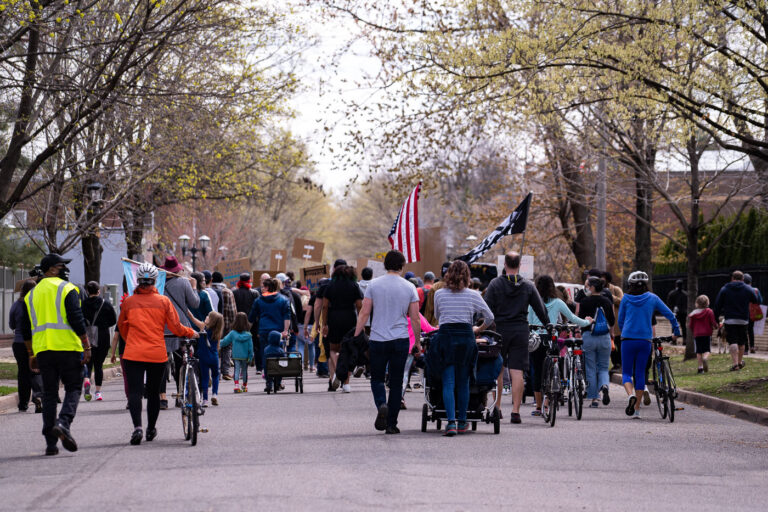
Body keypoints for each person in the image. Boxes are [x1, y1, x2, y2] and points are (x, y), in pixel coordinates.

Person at [118, 263, 198, 444]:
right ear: (155, 281)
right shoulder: (163, 301)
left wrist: (131, 339)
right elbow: (176, 327)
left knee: (136, 392)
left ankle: (137, 427)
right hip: (156, 353)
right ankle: (150, 429)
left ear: (137, 281)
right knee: (154, 393)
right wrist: (190, 332)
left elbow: (123, 327)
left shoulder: (129, 302)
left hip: (133, 353)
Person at [20, 254, 90, 455]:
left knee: (49, 394)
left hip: (44, 351)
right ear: (51, 269)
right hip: (68, 348)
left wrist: (31, 353)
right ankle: (64, 423)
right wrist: (86, 346)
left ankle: (51, 444)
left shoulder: (31, 295)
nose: (64, 269)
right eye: (61, 266)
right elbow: (77, 319)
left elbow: (25, 328)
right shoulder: (67, 289)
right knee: (74, 387)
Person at [353, 250, 420, 434]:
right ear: (402, 265)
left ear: (385, 265)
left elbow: (364, 312)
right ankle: (392, 423)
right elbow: (414, 318)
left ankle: (382, 403)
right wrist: (418, 341)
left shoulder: (374, 285)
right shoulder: (409, 287)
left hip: (378, 338)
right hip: (400, 339)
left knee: (377, 378)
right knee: (397, 382)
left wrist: (357, 334)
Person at [483, 252, 548, 424]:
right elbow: (540, 308)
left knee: (498, 368)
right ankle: (515, 411)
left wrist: (482, 326)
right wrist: (547, 325)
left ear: (504, 265)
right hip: (520, 330)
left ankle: (497, 407)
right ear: (519, 265)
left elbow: (486, 308)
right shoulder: (528, 285)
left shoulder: (495, 284)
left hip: (499, 330)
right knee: (517, 371)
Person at [433, 260, 494, 436]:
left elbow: (438, 316)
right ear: (467, 276)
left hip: (446, 338)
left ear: (448, 274)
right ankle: (462, 421)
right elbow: (489, 317)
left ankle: (450, 422)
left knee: (448, 381)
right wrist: (478, 329)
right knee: (464, 382)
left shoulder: (439, 294)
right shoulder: (474, 295)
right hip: (466, 338)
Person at [618, 271, 680, 419]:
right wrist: (676, 330)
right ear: (646, 284)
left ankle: (630, 395)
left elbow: (620, 320)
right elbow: (670, 314)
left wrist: (624, 331)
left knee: (626, 372)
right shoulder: (653, 298)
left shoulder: (625, 299)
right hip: (645, 340)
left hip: (627, 339)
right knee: (639, 373)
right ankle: (637, 409)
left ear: (630, 284)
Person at [527, 275, 591, 416]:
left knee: (537, 372)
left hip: (537, 339)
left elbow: (528, 321)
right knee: (553, 365)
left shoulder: (532, 303)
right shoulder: (558, 302)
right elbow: (573, 318)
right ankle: (548, 400)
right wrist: (587, 322)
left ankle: (538, 407)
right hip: (552, 338)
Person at [160, 256, 199, 409]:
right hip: (181, 325)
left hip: (162, 327)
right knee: (181, 362)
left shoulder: (158, 284)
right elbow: (195, 303)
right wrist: (194, 287)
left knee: (162, 363)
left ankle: (162, 397)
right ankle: (180, 394)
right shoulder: (183, 282)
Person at [322, 263, 363, 393]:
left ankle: (337, 374)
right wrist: (360, 323)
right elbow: (359, 306)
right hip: (350, 318)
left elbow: (324, 306)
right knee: (349, 350)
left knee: (333, 349)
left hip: (334, 318)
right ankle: (346, 384)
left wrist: (324, 324)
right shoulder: (354, 286)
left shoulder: (330, 286)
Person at [577, 276, 615, 408]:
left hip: (588, 337)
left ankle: (594, 398)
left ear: (592, 287)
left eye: (587, 286)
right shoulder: (607, 301)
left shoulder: (585, 302)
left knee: (590, 368)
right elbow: (612, 321)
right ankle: (604, 385)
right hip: (604, 337)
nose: (586, 288)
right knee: (604, 367)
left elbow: (580, 320)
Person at [714, 271, 759, 371]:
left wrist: (716, 318)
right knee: (742, 342)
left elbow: (717, 305)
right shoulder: (747, 288)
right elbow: (756, 300)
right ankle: (739, 361)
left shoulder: (725, 289)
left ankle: (735, 364)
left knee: (733, 341)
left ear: (732, 278)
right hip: (743, 319)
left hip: (730, 319)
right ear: (743, 279)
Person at [248, 278, 290, 385]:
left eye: (263, 286)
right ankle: (278, 381)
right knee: (279, 354)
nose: (261, 289)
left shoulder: (258, 301)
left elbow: (251, 318)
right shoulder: (283, 300)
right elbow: (287, 317)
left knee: (265, 355)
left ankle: (268, 381)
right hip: (279, 332)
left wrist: (247, 330)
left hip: (264, 331)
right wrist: (285, 331)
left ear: (266, 287)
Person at [9, 279, 42, 413]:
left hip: (19, 343)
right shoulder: (38, 305)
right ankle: (38, 396)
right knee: (36, 370)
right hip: (36, 342)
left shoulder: (16, 305)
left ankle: (23, 403)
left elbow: (11, 324)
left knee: (23, 373)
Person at [81, 281, 117, 402]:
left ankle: (86, 380)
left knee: (88, 362)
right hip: (102, 336)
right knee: (98, 366)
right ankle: (98, 392)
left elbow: (79, 319)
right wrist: (104, 325)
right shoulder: (105, 304)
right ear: (98, 291)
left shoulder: (84, 304)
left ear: (87, 291)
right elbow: (113, 320)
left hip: (87, 337)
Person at [189, 311, 223, 407]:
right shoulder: (218, 331)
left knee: (205, 378)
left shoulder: (203, 327)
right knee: (215, 376)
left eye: (208, 316)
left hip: (204, 356)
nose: (206, 316)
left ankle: (205, 400)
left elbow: (193, 318)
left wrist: (187, 310)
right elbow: (218, 346)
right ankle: (215, 394)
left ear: (211, 320)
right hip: (214, 356)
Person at [210, 271, 236, 380]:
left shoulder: (209, 291)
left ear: (212, 280)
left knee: (213, 347)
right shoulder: (227, 292)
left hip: (212, 324)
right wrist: (233, 324)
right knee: (226, 347)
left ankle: (215, 373)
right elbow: (232, 310)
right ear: (222, 280)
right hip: (226, 324)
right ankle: (225, 372)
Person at [233, 272, 261, 371]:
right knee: (255, 343)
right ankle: (258, 367)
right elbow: (258, 309)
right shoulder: (255, 293)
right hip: (253, 322)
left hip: (239, 321)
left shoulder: (235, 293)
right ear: (250, 280)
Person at [220, 312, 254, 392]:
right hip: (245, 356)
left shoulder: (233, 333)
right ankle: (244, 386)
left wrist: (216, 342)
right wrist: (250, 356)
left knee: (236, 370)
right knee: (244, 371)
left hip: (236, 355)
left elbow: (225, 341)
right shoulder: (248, 335)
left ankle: (236, 386)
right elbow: (250, 347)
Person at [688, 295, 717, 373]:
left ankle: (700, 368)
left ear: (697, 303)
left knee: (699, 351)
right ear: (707, 303)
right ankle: (705, 358)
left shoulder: (694, 313)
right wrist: (716, 326)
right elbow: (713, 322)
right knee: (707, 349)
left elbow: (690, 325)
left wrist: (693, 331)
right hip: (707, 333)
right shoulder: (709, 311)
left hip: (697, 334)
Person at [604, 272, 624, 372]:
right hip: (607, 322)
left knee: (618, 344)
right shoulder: (600, 291)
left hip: (617, 323)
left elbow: (622, 301)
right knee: (611, 345)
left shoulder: (616, 289)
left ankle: (620, 364)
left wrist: (609, 295)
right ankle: (615, 364)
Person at [743, 273, 763, 354]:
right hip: (752, 313)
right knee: (750, 330)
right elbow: (760, 301)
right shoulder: (756, 290)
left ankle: (745, 349)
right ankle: (752, 346)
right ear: (750, 282)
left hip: (743, 312)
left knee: (744, 330)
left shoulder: (742, 290)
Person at [666, 280, 688, 345]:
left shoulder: (672, 293)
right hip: (683, 312)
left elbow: (669, 303)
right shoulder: (685, 294)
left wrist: (671, 310)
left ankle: (674, 340)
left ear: (676, 285)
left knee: (674, 326)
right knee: (683, 326)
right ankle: (685, 340)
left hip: (675, 312)